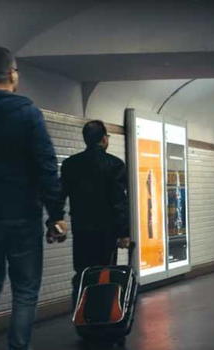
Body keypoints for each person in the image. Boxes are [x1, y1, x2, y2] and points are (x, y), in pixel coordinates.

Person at [0, 46, 67, 350]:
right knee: (25, 291)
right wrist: (56, 215)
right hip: (22, 217)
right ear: (11, 74)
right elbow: (47, 167)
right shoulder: (28, 113)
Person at [60, 120, 130, 305]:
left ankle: (82, 313)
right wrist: (124, 233)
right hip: (107, 232)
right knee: (105, 272)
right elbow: (118, 202)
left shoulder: (70, 164)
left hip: (81, 230)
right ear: (103, 139)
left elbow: (60, 195)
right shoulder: (115, 165)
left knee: (83, 271)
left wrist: (56, 220)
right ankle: (104, 313)